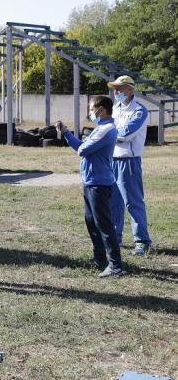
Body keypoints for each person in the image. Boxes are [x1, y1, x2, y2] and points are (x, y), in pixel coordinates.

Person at [56, 96, 125, 277]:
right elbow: (81, 146)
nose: (90, 113)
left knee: (104, 224)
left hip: (99, 183)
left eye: (92, 109)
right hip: (91, 182)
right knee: (91, 221)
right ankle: (99, 258)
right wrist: (66, 133)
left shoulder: (106, 130)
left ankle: (116, 265)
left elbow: (82, 150)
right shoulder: (100, 129)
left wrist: (81, 145)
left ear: (101, 110)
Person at [107, 75, 152, 256]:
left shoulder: (139, 111)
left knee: (133, 202)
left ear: (130, 89)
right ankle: (115, 237)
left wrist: (108, 134)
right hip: (111, 159)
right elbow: (106, 128)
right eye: (115, 88)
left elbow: (124, 135)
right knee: (113, 202)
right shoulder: (114, 108)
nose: (116, 91)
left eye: (120, 88)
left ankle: (141, 241)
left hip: (128, 161)